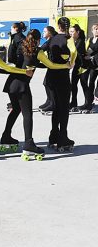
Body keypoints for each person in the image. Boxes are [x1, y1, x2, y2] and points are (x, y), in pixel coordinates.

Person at [0, 29, 69, 157]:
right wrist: (66, 66)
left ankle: (6, 136)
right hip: (22, 86)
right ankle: (29, 144)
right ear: (38, 40)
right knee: (27, 115)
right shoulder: (38, 51)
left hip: (11, 84)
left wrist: (38, 65)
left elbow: (24, 60)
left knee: (15, 109)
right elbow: (52, 65)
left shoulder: (21, 47)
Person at [45, 17, 77, 151]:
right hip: (62, 78)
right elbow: (74, 51)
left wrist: (48, 63)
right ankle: (63, 138)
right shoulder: (68, 39)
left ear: (58, 26)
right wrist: (71, 62)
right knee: (64, 109)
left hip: (51, 78)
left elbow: (40, 51)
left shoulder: (52, 38)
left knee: (56, 108)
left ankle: (53, 136)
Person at [69, 24, 89, 111]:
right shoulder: (73, 40)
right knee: (73, 85)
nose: (71, 33)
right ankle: (73, 102)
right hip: (77, 66)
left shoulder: (80, 41)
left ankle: (87, 103)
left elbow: (74, 51)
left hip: (83, 67)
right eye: (70, 31)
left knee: (84, 85)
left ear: (78, 32)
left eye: (72, 31)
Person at [38, 26, 57, 112]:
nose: (43, 33)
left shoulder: (51, 40)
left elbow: (42, 48)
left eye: (45, 31)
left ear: (50, 33)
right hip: (51, 65)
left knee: (50, 84)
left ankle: (52, 104)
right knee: (46, 83)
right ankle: (49, 101)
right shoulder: (49, 40)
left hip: (54, 66)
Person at [82, 24, 98, 112]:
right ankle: (90, 101)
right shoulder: (91, 39)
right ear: (92, 31)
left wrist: (90, 55)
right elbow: (87, 49)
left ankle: (97, 96)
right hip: (93, 64)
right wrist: (85, 55)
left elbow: (95, 50)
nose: (96, 31)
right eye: (95, 29)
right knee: (91, 82)